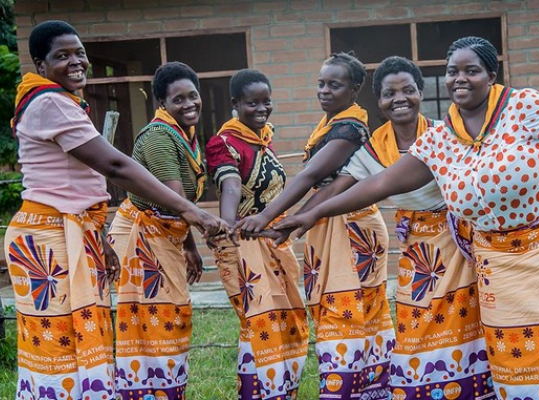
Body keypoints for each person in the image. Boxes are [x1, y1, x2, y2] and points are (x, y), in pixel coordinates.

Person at [275, 36, 539, 399]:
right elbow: (380, 183)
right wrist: (312, 214)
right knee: (516, 361)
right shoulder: (441, 140)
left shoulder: (525, 106)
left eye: (471, 70)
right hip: (497, 268)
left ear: (491, 75)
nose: (460, 78)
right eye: (452, 72)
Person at [5, 20, 229, 400]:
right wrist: (194, 213)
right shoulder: (50, 103)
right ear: (40, 65)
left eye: (80, 53)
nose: (76, 62)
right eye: (62, 56)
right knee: (59, 346)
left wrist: (99, 240)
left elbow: (78, 186)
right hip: (50, 238)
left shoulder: (59, 101)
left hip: (71, 231)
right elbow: (115, 167)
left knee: (82, 339)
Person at [278, 55, 495, 399]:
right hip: (417, 251)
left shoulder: (445, 135)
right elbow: (340, 187)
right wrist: (302, 217)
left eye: (408, 90)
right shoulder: (374, 148)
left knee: (463, 324)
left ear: (420, 93)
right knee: (413, 325)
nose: (399, 99)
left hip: (458, 246)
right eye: (389, 94)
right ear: (378, 100)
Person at [236, 53, 395, 400]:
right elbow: (326, 188)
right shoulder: (331, 124)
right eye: (321, 83)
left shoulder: (350, 129)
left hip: (352, 228)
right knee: (336, 310)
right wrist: (293, 222)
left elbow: (310, 176)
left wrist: (266, 217)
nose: (324, 90)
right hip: (330, 222)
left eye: (334, 85)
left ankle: (350, 390)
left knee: (348, 312)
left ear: (354, 89)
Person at [106, 61, 212, 399]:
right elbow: (176, 199)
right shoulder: (158, 137)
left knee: (169, 317)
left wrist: (190, 246)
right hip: (141, 236)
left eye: (192, 96)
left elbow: (179, 204)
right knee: (152, 323)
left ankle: (166, 391)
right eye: (178, 99)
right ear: (162, 103)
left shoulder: (184, 135)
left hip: (165, 231)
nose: (189, 104)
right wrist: (209, 228)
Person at [203, 69, 309, 400]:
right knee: (261, 324)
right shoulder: (224, 143)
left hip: (273, 243)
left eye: (266, 101)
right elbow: (230, 185)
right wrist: (227, 226)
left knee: (287, 321)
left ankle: (282, 391)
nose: (262, 109)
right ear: (235, 103)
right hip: (246, 244)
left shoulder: (263, 137)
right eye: (253, 103)